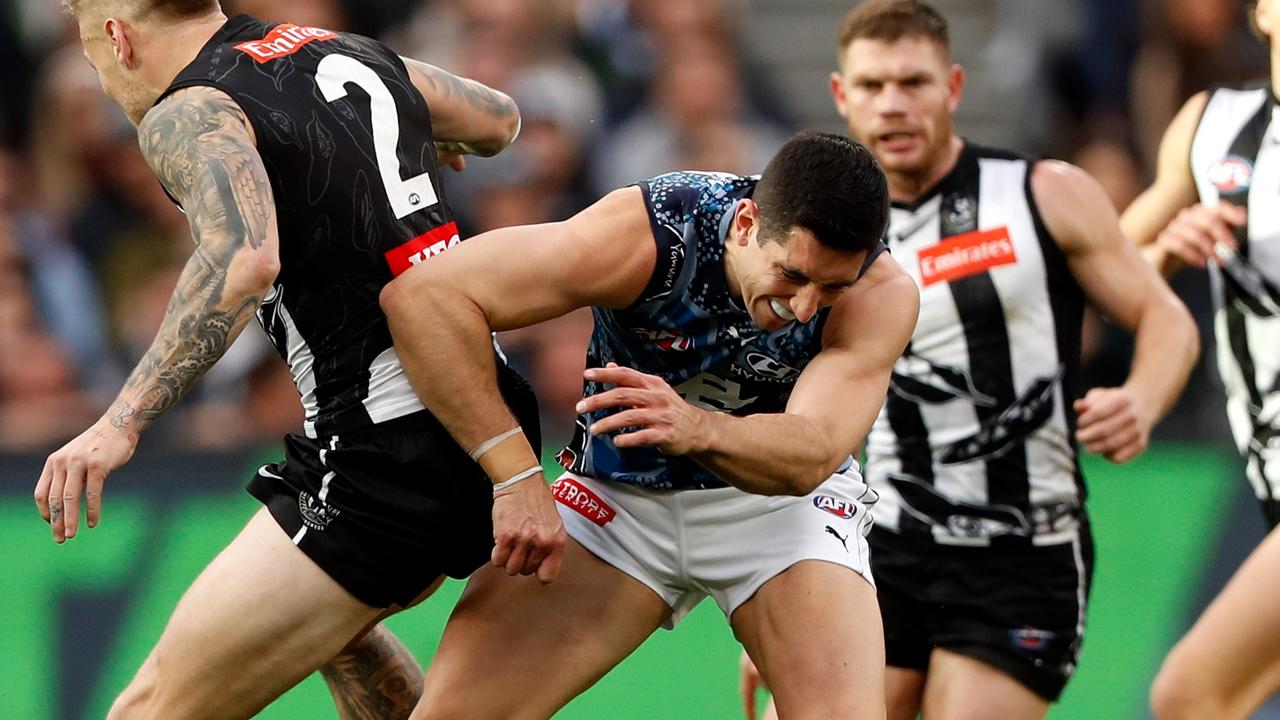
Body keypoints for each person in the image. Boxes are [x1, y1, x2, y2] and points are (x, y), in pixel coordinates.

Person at [34, 2, 558, 718]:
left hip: (383, 448)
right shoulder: (338, 50)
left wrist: (119, 423)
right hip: (479, 409)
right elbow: (497, 118)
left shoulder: (185, 111)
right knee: (338, 635)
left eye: (91, 56)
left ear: (119, 39)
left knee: (148, 710)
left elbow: (243, 259)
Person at [741, 2, 1199, 719]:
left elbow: (1166, 319)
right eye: (871, 86)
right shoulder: (820, 239)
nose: (892, 103)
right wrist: (774, 585)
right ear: (840, 96)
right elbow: (798, 418)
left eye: (913, 82)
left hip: (1021, 553)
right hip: (881, 544)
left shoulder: (1043, 194)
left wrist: (1141, 398)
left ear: (953, 87)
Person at [377, 131, 919, 719]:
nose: (807, 307)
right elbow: (426, 297)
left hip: (780, 514)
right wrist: (513, 475)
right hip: (617, 501)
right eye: (792, 275)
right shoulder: (653, 232)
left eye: (832, 286)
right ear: (745, 224)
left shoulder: (880, 294)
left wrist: (697, 427)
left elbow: (812, 453)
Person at [1121, 2, 1280, 717]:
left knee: (1192, 690)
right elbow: (1107, 274)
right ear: (1263, 13)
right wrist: (1167, 247)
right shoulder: (1212, 124)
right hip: (1266, 471)